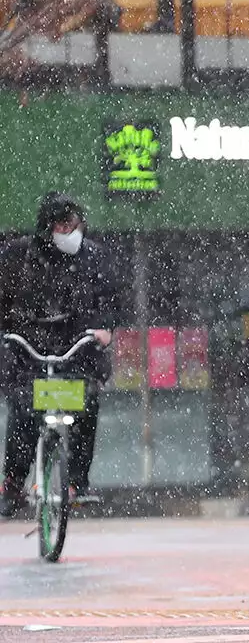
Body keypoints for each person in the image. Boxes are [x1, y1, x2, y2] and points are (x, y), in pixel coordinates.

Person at [0, 192, 119, 518]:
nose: (71, 231)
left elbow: (108, 300)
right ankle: (12, 483)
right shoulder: (16, 257)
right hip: (27, 348)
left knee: (86, 402)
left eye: (75, 224)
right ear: (47, 227)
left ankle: (76, 482)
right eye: (64, 225)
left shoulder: (94, 258)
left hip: (76, 348)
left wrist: (103, 329)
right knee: (24, 409)